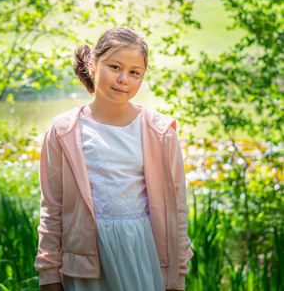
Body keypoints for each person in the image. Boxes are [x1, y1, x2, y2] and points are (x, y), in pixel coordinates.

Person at [34, 27, 194, 291]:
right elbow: (52, 207)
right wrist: (49, 274)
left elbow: (176, 209)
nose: (124, 79)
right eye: (114, 67)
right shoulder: (64, 132)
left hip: (142, 255)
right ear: (92, 65)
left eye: (134, 73)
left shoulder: (161, 132)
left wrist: (177, 273)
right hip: (85, 261)